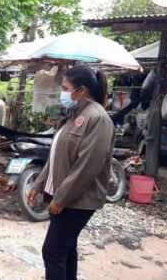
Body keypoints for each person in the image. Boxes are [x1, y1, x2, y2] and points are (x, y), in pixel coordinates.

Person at [27, 65, 115, 280]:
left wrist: (61, 199)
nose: (62, 93)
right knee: (66, 249)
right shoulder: (73, 115)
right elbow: (57, 156)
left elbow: (88, 166)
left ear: (81, 90)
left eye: (66, 88)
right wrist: (38, 185)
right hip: (62, 195)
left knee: (52, 251)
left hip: (77, 200)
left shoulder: (98, 119)